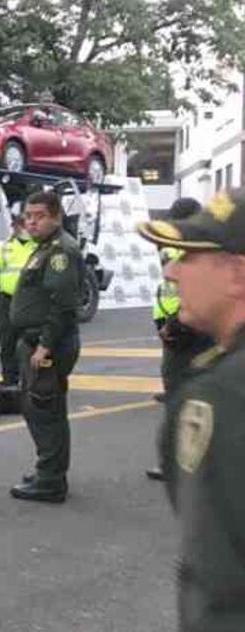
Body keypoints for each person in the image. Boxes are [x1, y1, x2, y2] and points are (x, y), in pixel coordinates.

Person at [137, 188, 245, 632]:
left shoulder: (223, 395)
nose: (172, 270)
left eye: (190, 257)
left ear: (237, 275)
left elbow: (223, 585)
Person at [8, 191, 82, 503]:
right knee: (42, 409)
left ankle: (51, 481)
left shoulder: (61, 251)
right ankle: (48, 472)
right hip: (34, 341)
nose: (32, 222)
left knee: (45, 412)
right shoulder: (44, 248)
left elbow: (62, 305)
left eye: (39, 216)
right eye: (28, 216)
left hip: (48, 344)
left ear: (56, 217)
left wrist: (44, 346)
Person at [146, 198, 217, 482]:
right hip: (179, 327)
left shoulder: (192, 250)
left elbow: (197, 295)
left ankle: (181, 463)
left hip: (186, 330)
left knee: (183, 398)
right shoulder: (189, 247)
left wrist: (174, 327)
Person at [0, 212, 36, 385]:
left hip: (32, 301)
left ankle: (31, 380)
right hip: (8, 300)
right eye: (21, 225)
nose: (24, 229)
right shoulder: (2, 247)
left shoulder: (40, 247)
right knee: (7, 342)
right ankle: (10, 381)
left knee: (30, 342)